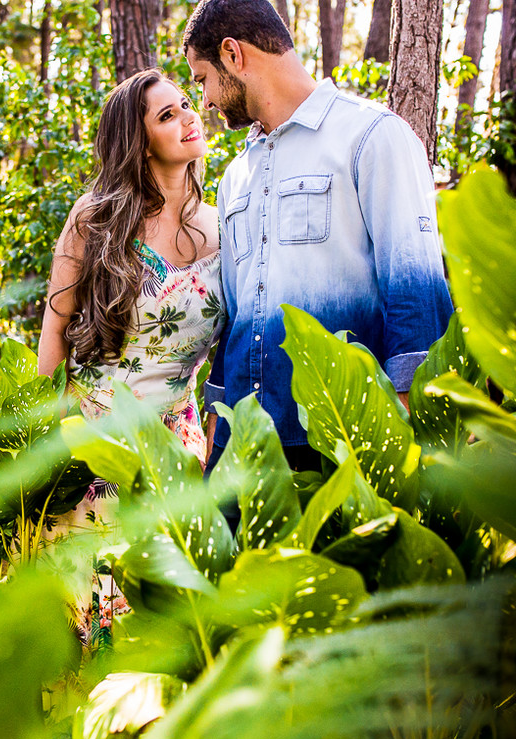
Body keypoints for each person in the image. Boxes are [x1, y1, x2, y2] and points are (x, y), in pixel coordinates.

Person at [182, 0, 454, 472]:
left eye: (202, 79)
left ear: (232, 54)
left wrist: (399, 449)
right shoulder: (235, 179)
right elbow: (234, 315)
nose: (204, 101)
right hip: (240, 453)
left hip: (341, 444)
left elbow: (416, 294)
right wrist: (216, 435)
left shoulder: (373, 136)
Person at [37, 68, 224, 646]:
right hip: (94, 443)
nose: (189, 117)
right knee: (93, 627)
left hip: (180, 448)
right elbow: (54, 332)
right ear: (136, 141)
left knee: (164, 627)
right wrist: (38, 441)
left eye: (187, 104)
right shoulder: (94, 219)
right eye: (166, 115)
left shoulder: (222, 224)